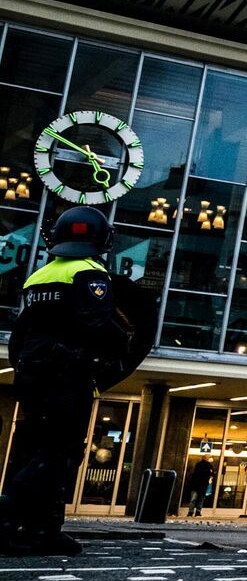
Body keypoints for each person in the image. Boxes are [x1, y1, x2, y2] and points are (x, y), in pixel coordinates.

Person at [0, 206, 142, 555]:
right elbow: (96, 324)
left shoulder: (39, 276)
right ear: (102, 239)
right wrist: (123, 343)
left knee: (30, 448)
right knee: (59, 452)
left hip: (33, 373)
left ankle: (42, 530)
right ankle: (7, 517)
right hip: (67, 374)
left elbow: (21, 334)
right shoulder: (90, 273)